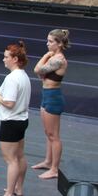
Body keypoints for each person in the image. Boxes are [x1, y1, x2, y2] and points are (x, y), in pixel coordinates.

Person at [0, 41, 31, 196]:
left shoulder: (12, 78)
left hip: (11, 122)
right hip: (21, 119)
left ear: (15, 59)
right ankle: (18, 187)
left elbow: (9, 102)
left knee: (11, 159)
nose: (3, 59)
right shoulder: (23, 75)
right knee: (20, 155)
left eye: (6, 57)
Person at [33, 29, 69, 180]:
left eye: (50, 41)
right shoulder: (53, 58)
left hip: (54, 98)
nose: (47, 44)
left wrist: (46, 55)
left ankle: (54, 169)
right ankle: (48, 162)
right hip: (46, 95)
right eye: (47, 41)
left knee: (54, 135)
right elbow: (40, 75)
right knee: (48, 133)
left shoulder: (58, 59)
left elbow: (37, 69)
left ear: (59, 44)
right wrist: (47, 57)